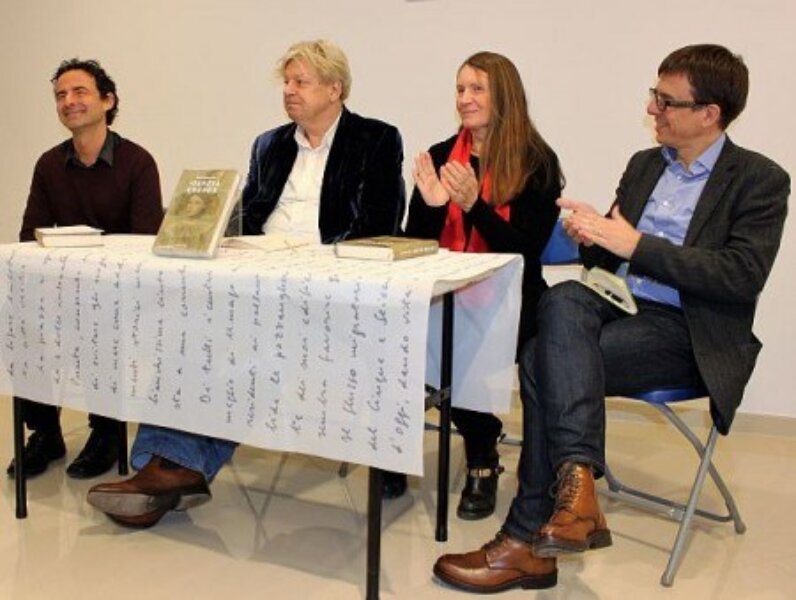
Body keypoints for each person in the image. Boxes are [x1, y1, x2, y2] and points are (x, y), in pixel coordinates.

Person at [433, 43, 789, 592]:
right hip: (617, 304)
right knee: (561, 300)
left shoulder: (759, 179)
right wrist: (592, 235)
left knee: (541, 358)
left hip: (687, 329)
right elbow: (608, 259)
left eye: (666, 101)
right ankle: (576, 493)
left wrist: (635, 244)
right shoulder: (646, 165)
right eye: (654, 95)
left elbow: (741, 275)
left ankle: (528, 539)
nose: (652, 109)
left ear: (709, 113)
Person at [85, 39, 406, 528]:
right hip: (259, 278)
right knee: (190, 329)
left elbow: (378, 225)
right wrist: (201, 224)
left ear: (334, 89)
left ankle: (172, 468)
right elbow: (248, 218)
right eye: (286, 82)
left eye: (301, 82)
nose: (289, 90)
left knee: (238, 343)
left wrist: (302, 263)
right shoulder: (269, 144)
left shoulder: (376, 139)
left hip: (328, 289)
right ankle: (163, 465)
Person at [396, 51, 562, 519]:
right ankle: (440, 441)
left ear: (503, 97)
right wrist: (433, 207)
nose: (464, 99)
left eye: (476, 89)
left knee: (455, 345)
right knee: (409, 336)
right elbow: (415, 247)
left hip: (514, 297)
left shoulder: (537, 162)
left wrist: (475, 207)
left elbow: (524, 250)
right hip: (447, 292)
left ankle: (482, 454)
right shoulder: (442, 155)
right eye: (459, 89)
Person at [8, 58, 163, 480]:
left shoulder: (137, 162)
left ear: (108, 101)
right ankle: (44, 433)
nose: (68, 101)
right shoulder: (49, 164)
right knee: (24, 322)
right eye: (60, 95)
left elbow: (144, 243)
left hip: (121, 293)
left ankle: (107, 432)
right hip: (66, 288)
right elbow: (30, 236)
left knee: (101, 323)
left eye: (79, 92)